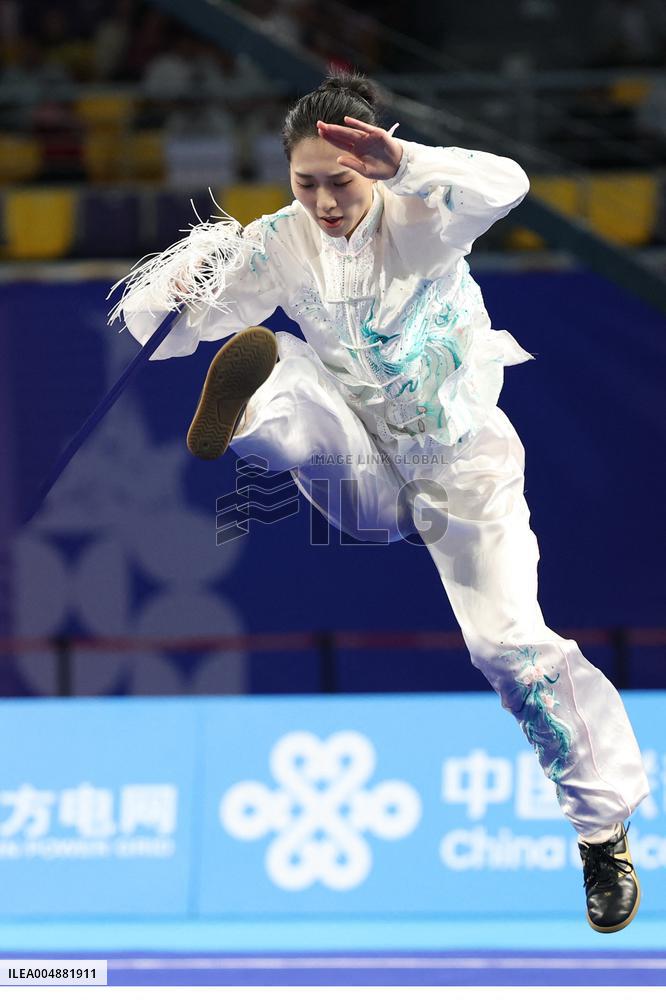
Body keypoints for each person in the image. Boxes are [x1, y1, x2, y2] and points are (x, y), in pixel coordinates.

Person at [112, 70, 650, 932]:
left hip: (464, 470)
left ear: (374, 163)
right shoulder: (279, 242)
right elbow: (156, 337)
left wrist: (405, 162)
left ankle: (602, 834)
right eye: (305, 183)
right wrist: (173, 292)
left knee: (510, 648)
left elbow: (507, 185)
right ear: (287, 180)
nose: (324, 201)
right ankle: (249, 409)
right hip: (359, 460)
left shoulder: (425, 211)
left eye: (342, 181)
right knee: (281, 372)